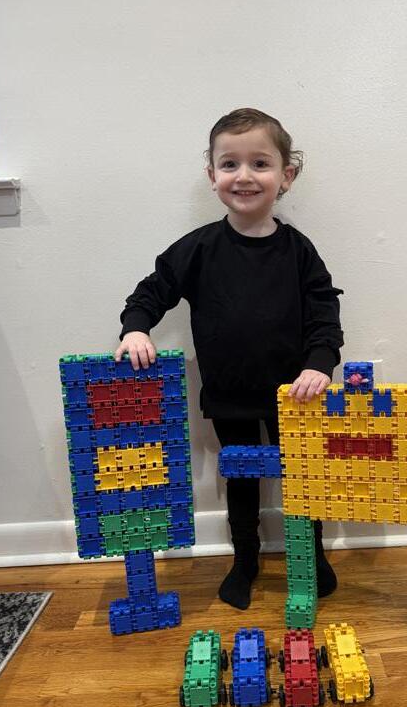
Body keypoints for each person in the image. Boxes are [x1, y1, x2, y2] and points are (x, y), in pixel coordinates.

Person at [115, 107, 344, 610]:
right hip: (229, 393)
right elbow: (152, 292)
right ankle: (245, 560)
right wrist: (135, 329)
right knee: (240, 478)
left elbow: (325, 313)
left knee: (304, 476)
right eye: (230, 164)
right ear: (211, 174)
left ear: (286, 175)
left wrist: (319, 364)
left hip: (296, 393)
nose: (244, 176)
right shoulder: (198, 249)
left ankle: (312, 554)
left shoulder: (299, 251)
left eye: (260, 163)